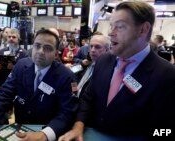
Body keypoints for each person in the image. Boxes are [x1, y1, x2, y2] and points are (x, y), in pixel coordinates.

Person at [59, 1, 175, 141]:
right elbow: (89, 98)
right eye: (111, 26)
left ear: (143, 29)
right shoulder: (104, 60)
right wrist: (78, 125)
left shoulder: (167, 74)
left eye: (119, 27)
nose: (110, 33)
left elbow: (167, 130)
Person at [0, 29, 79, 141]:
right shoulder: (21, 65)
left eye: (47, 48)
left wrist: (45, 134)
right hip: (19, 131)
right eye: (37, 46)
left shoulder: (67, 77)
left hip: (46, 130)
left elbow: (67, 112)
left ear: (56, 54)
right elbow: (4, 95)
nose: (40, 51)